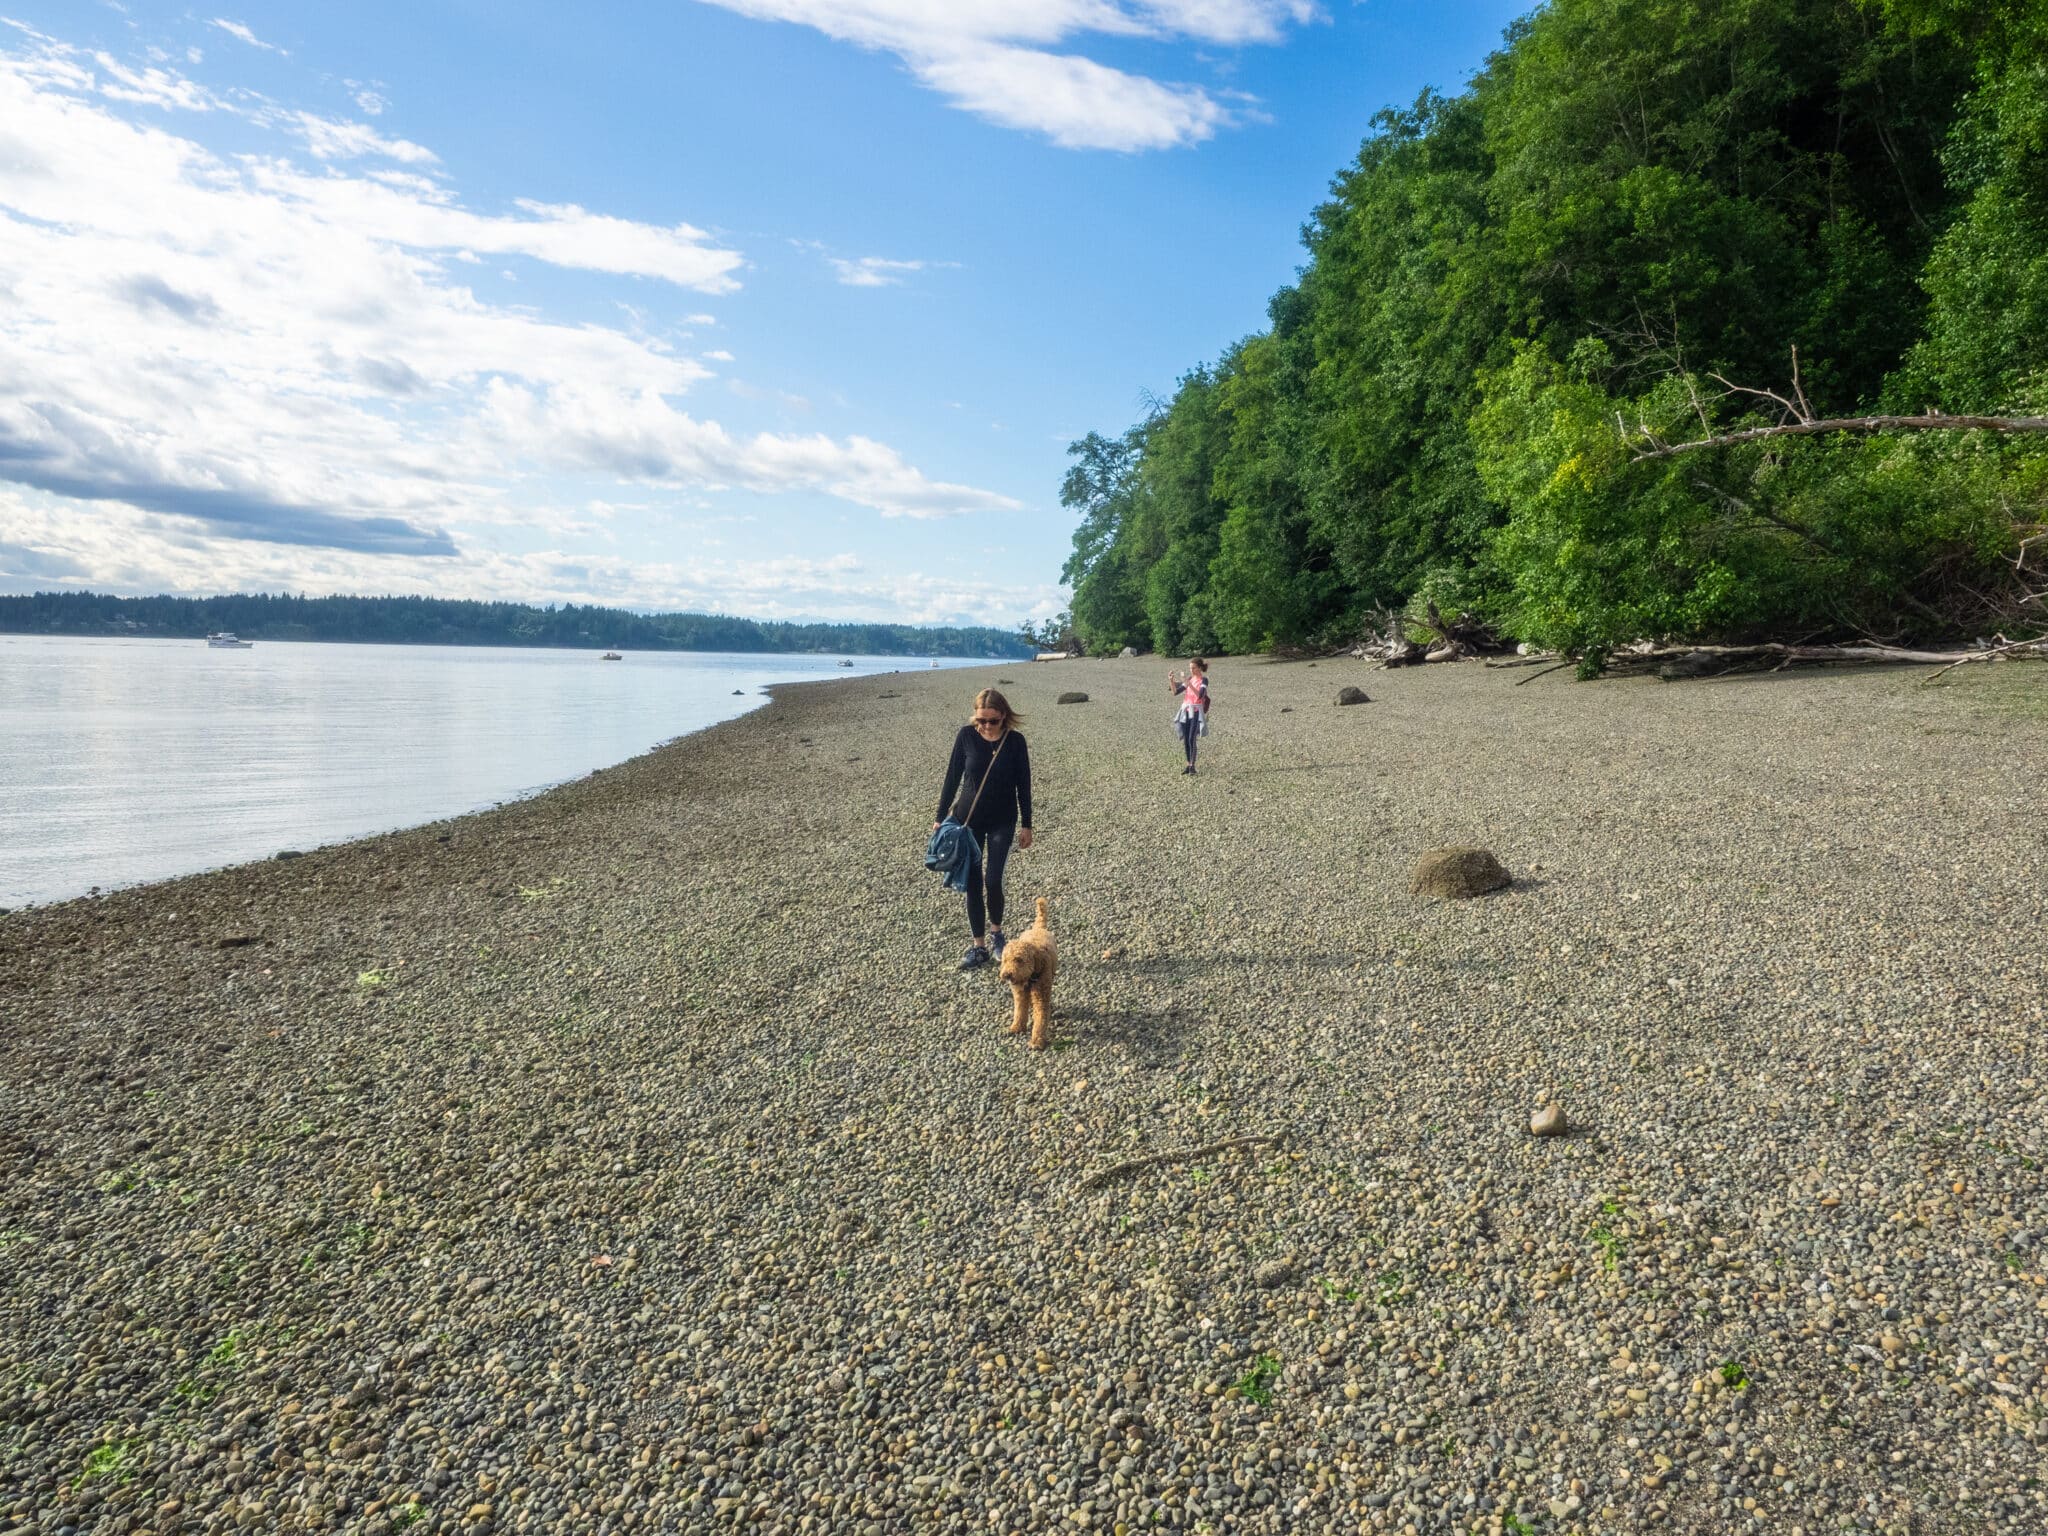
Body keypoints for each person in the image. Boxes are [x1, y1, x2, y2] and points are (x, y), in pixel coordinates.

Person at [933, 688, 1034, 969]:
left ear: (1003, 715)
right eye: (981, 720)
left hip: (1003, 820)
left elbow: (1023, 785)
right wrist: (940, 817)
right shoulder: (966, 736)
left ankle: (997, 934)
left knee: (993, 880)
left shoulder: (1015, 742)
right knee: (974, 883)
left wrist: (1027, 824)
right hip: (968, 822)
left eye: (992, 720)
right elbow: (952, 778)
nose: (986, 726)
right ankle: (979, 946)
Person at [1168, 657, 1210, 775]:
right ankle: (1188, 764)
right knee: (1186, 739)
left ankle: (1192, 766)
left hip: (1196, 711)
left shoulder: (1204, 680)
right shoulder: (1190, 679)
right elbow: (1175, 692)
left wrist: (1188, 684)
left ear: (1200, 668)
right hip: (1186, 711)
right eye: (1190, 668)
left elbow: (1200, 696)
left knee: (1192, 738)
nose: (1191, 670)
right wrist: (1171, 680)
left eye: (1193, 668)